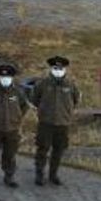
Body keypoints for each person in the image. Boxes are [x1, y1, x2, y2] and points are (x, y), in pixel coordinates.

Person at [31, 55, 82, 186]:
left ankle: (53, 175)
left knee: (58, 150)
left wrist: (66, 113)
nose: (58, 70)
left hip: (63, 123)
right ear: (51, 68)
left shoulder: (71, 85)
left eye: (60, 68)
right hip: (46, 123)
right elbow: (35, 99)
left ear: (65, 69)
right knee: (42, 149)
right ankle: (39, 174)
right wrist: (43, 111)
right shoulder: (42, 83)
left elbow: (75, 100)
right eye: (55, 68)